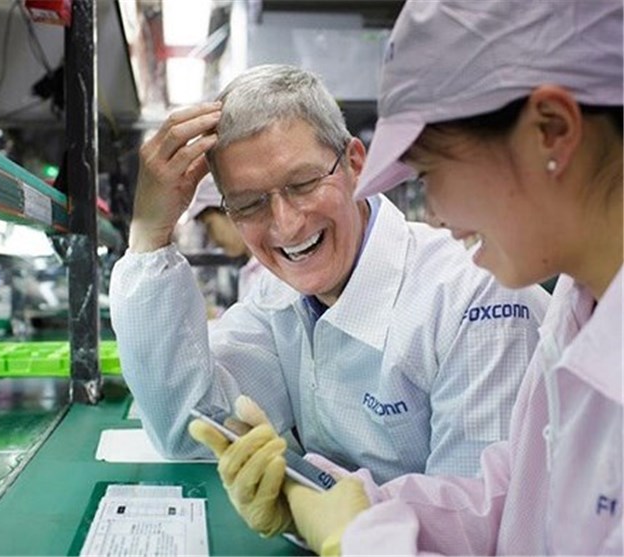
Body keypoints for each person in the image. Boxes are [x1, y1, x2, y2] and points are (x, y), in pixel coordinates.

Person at [212, 2, 621, 554]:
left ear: (551, 131)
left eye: (430, 172)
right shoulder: (581, 302)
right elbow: (509, 499)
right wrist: (334, 503)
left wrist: (363, 542)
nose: (437, 215)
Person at [109, 64, 549, 537]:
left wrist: (328, 516)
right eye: (250, 203)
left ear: (356, 164)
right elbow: (189, 429)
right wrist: (149, 234)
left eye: (303, 183)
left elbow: (483, 529)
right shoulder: (281, 296)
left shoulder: (475, 298)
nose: (286, 224)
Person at [183, 174, 267, 302]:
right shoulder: (252, 271)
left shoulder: (270, 273)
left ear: (231, 211)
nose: (212, 240)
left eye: (210, 226)